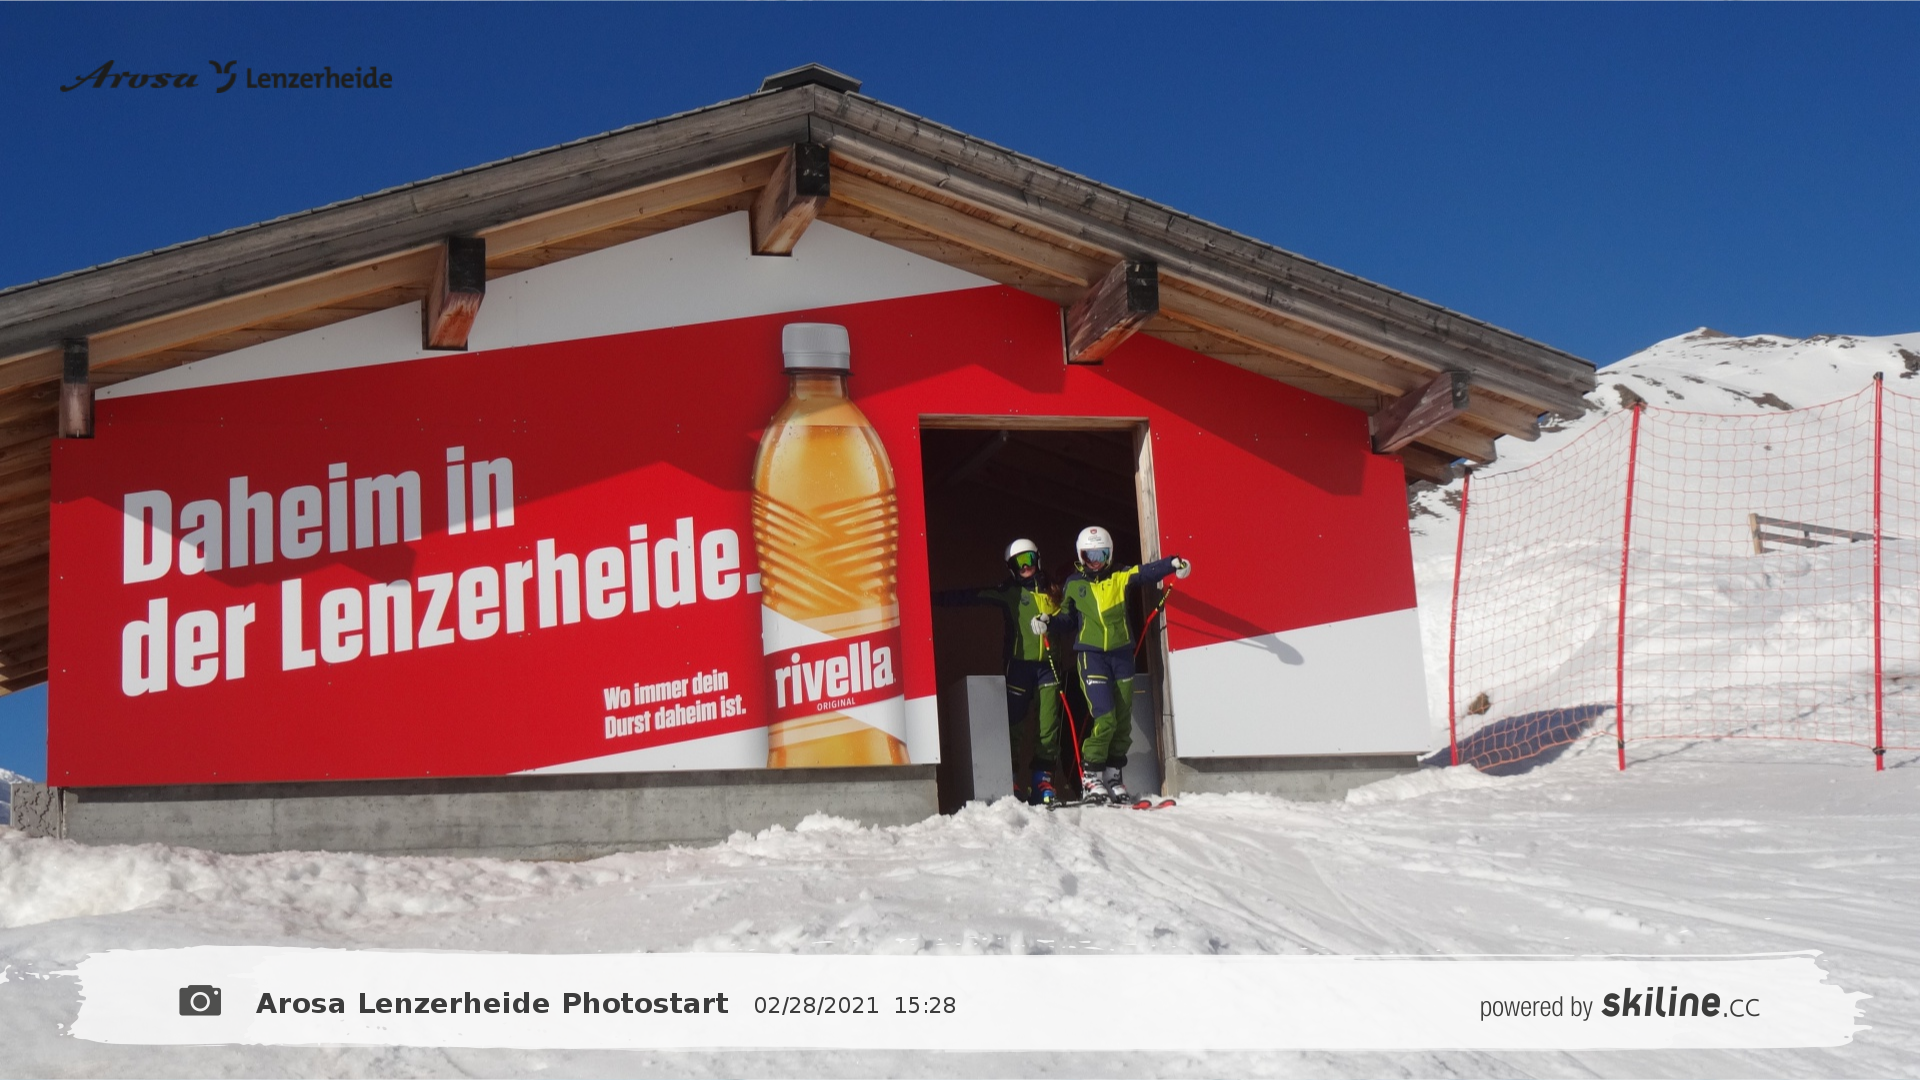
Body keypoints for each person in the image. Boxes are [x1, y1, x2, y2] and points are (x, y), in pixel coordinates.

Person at [1033, 526, 1190, 805]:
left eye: (1101, 555)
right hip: (1091, 656)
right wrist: (1048, 622)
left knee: (1122, 721)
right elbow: (1067, 619)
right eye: (1089, 556)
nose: (1095, 562)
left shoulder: (1119, 575)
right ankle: (1091, 776)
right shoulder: (1074, 584)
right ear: (1080, 556)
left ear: (1110, 554)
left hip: (1121, 655)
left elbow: (1146, 572)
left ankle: (1113, 776)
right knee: (1104, 716)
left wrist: (1173, 563)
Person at [934, 539, 1068, 804]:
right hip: (1019, 666)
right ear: (1011, 568)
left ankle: (1042, 781)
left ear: (1038, 558)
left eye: (1029, 559)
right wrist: (933, 599)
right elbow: (972, 596)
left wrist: (1052, 622)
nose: (1025, 567)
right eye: (1018, 564)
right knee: (1014, 726)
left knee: (1048, 726)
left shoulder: (1054, 591)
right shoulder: (1009, 592)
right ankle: (1011, 779)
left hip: (1049, 667)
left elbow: (1070, 618)